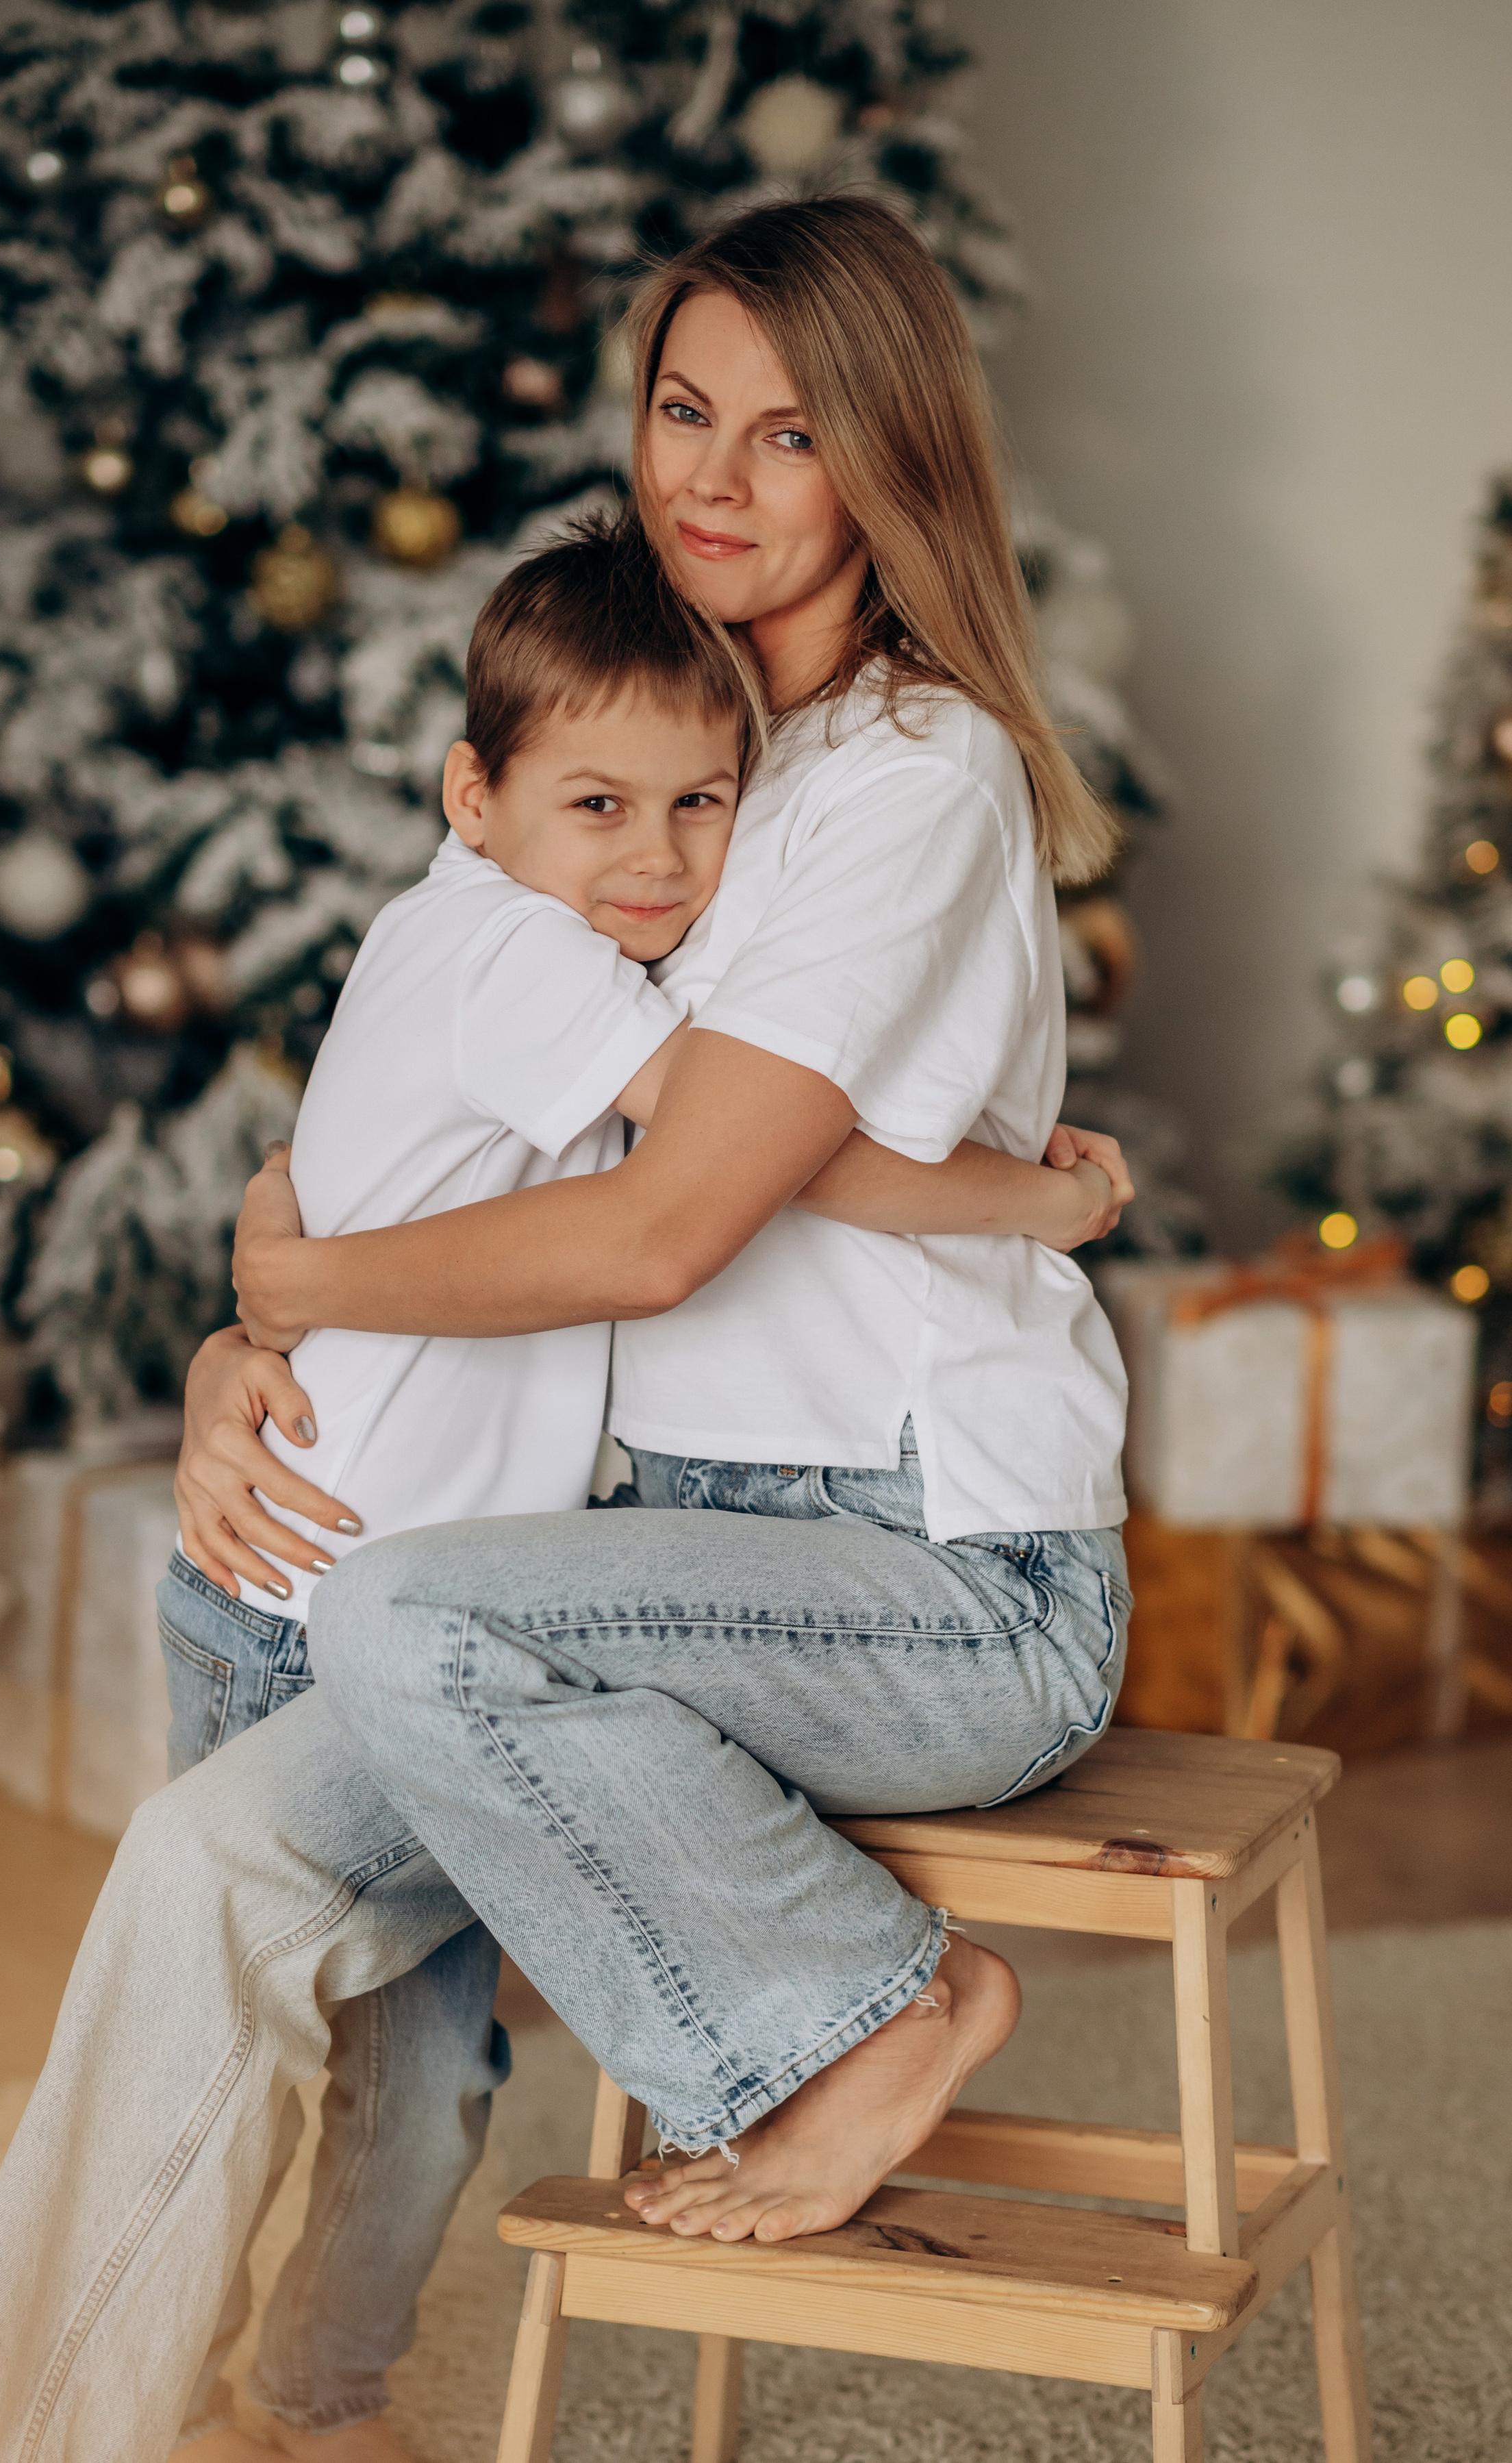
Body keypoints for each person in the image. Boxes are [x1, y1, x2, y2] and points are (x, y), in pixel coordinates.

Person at [0, 195, 1133, 2463]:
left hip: (937, 1583)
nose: (719, 477)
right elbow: (446, 1112)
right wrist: (249, 1347)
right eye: (685, 409)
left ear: (891, 467)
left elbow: (667, 1228)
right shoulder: (668, 750)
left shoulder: (908, 778)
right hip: (637, 1561)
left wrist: (307, 1285)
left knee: (410, 1618)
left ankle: (869, 2008)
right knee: (199, 1862)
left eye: (790, 433)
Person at [157, 510, 1123, 2454]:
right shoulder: (533, 941)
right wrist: (265, 1316)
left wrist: (283, 1296)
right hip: (308, 1564)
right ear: (477, 793)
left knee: (389, 2043)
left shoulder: (843, 793)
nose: (663, 853)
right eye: (601, 801)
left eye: (696, 806)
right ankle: (205, 2371)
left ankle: (297, 2395)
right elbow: (706, 1174)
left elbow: (680, 1188)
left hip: (440, 1551)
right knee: (257, 2012)